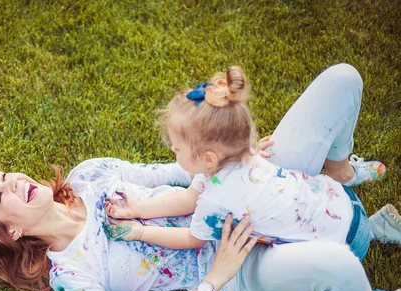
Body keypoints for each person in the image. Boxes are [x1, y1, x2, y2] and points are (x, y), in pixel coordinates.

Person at [0, 64, 401, 291]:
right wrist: (215, 279)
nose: (13, 180)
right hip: (238, 269)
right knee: (337, 268)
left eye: (1, 174)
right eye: (0, 196)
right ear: (10, 231)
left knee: (342, 79)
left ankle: (339, 173)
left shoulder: (90, 175)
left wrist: (234, 158)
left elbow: (169, 173)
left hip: (237, 193)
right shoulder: (72, 278)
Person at [103, 66, 390, 262]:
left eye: (176, 148)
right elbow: (189, 197)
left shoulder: (216, 199)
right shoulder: (244, 156)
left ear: (209, 158)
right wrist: (139, 209)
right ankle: (376, 227)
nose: (172, 150)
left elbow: (192, 238)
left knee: (296, 271)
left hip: (346, 247)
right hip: (342, 200)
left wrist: (139, 230)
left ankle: (366, 278)